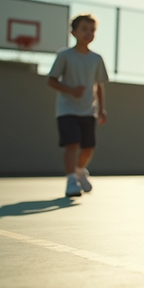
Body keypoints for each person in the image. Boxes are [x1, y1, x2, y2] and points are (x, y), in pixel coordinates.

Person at [47, 14, 109, 197]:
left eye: (92, 30)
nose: (88, 33)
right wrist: (71, 90)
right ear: (73, 32)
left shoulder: (97, 59)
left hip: (88, 110)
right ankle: (71, 180)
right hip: (67, 109)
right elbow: (51, 80)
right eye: (84, 29)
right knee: (72, 144)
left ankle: (80, 170)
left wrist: (101, 108)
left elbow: (99, 86)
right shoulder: (64, 55)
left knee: (88, 147)